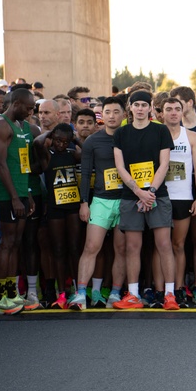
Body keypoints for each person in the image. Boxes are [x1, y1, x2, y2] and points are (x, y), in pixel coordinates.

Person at [111, 90, 178, 310]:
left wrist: (149, 191)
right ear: (130, 107)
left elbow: (164, 164)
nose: (140, 108)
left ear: (150, 108)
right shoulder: (121, 133)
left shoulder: (160, 131)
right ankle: (133, 295)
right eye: (136, 104)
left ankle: (170, 295)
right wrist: (139, 192)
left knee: (164, 244)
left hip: (157, 195)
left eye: (144, 105)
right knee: (132, 247)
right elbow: (120, 167)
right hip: (131, 196)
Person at [69, 97, 127, 311]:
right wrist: (84, 203)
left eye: (116, 112)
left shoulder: (131, 137)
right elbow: (85, 175)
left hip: (126, 200)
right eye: (108, 112)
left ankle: (114, 294)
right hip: (101, 201)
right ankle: (81, 294)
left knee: (121, 249)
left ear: (124, 114)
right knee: (91, 246)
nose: (112, 116)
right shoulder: (93, 141)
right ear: (102, 115)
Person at [0, 88, 40, 314]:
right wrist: (14, 197)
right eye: (28, 108)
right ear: (16, 103)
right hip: (7, 195)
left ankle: (11, 292)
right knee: (7, 243)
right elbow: (0, 164)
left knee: (17, 242)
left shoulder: (22, 127)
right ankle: (0, 297)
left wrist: (26, 193)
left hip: (21, 191)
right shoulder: (1, 125)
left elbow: (23, 164)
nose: (30, 113)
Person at [159, 97, 196, 306]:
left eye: (177, 109)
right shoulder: (155, 134)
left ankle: (177, 289)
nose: (173, 113)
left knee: (178, 245)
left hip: (183, 196)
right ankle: (159, 290)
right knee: (160, 246)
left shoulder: (192, 136)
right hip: (159, 196)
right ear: (162, 113)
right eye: (169, 109)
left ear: (182, 111)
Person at [32, 123, 82, 309]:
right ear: (53, 139)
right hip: (55, 208)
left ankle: (78, 291)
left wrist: (76, 139)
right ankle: (61, 293)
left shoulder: (72, 154)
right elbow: (37, 143)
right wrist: (49, 133)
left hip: (73, 208)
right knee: (58, 250)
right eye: (58, 140)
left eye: (65, 141)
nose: (61, 144)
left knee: (75, 248)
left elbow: (87, 152)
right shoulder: (47, 156)